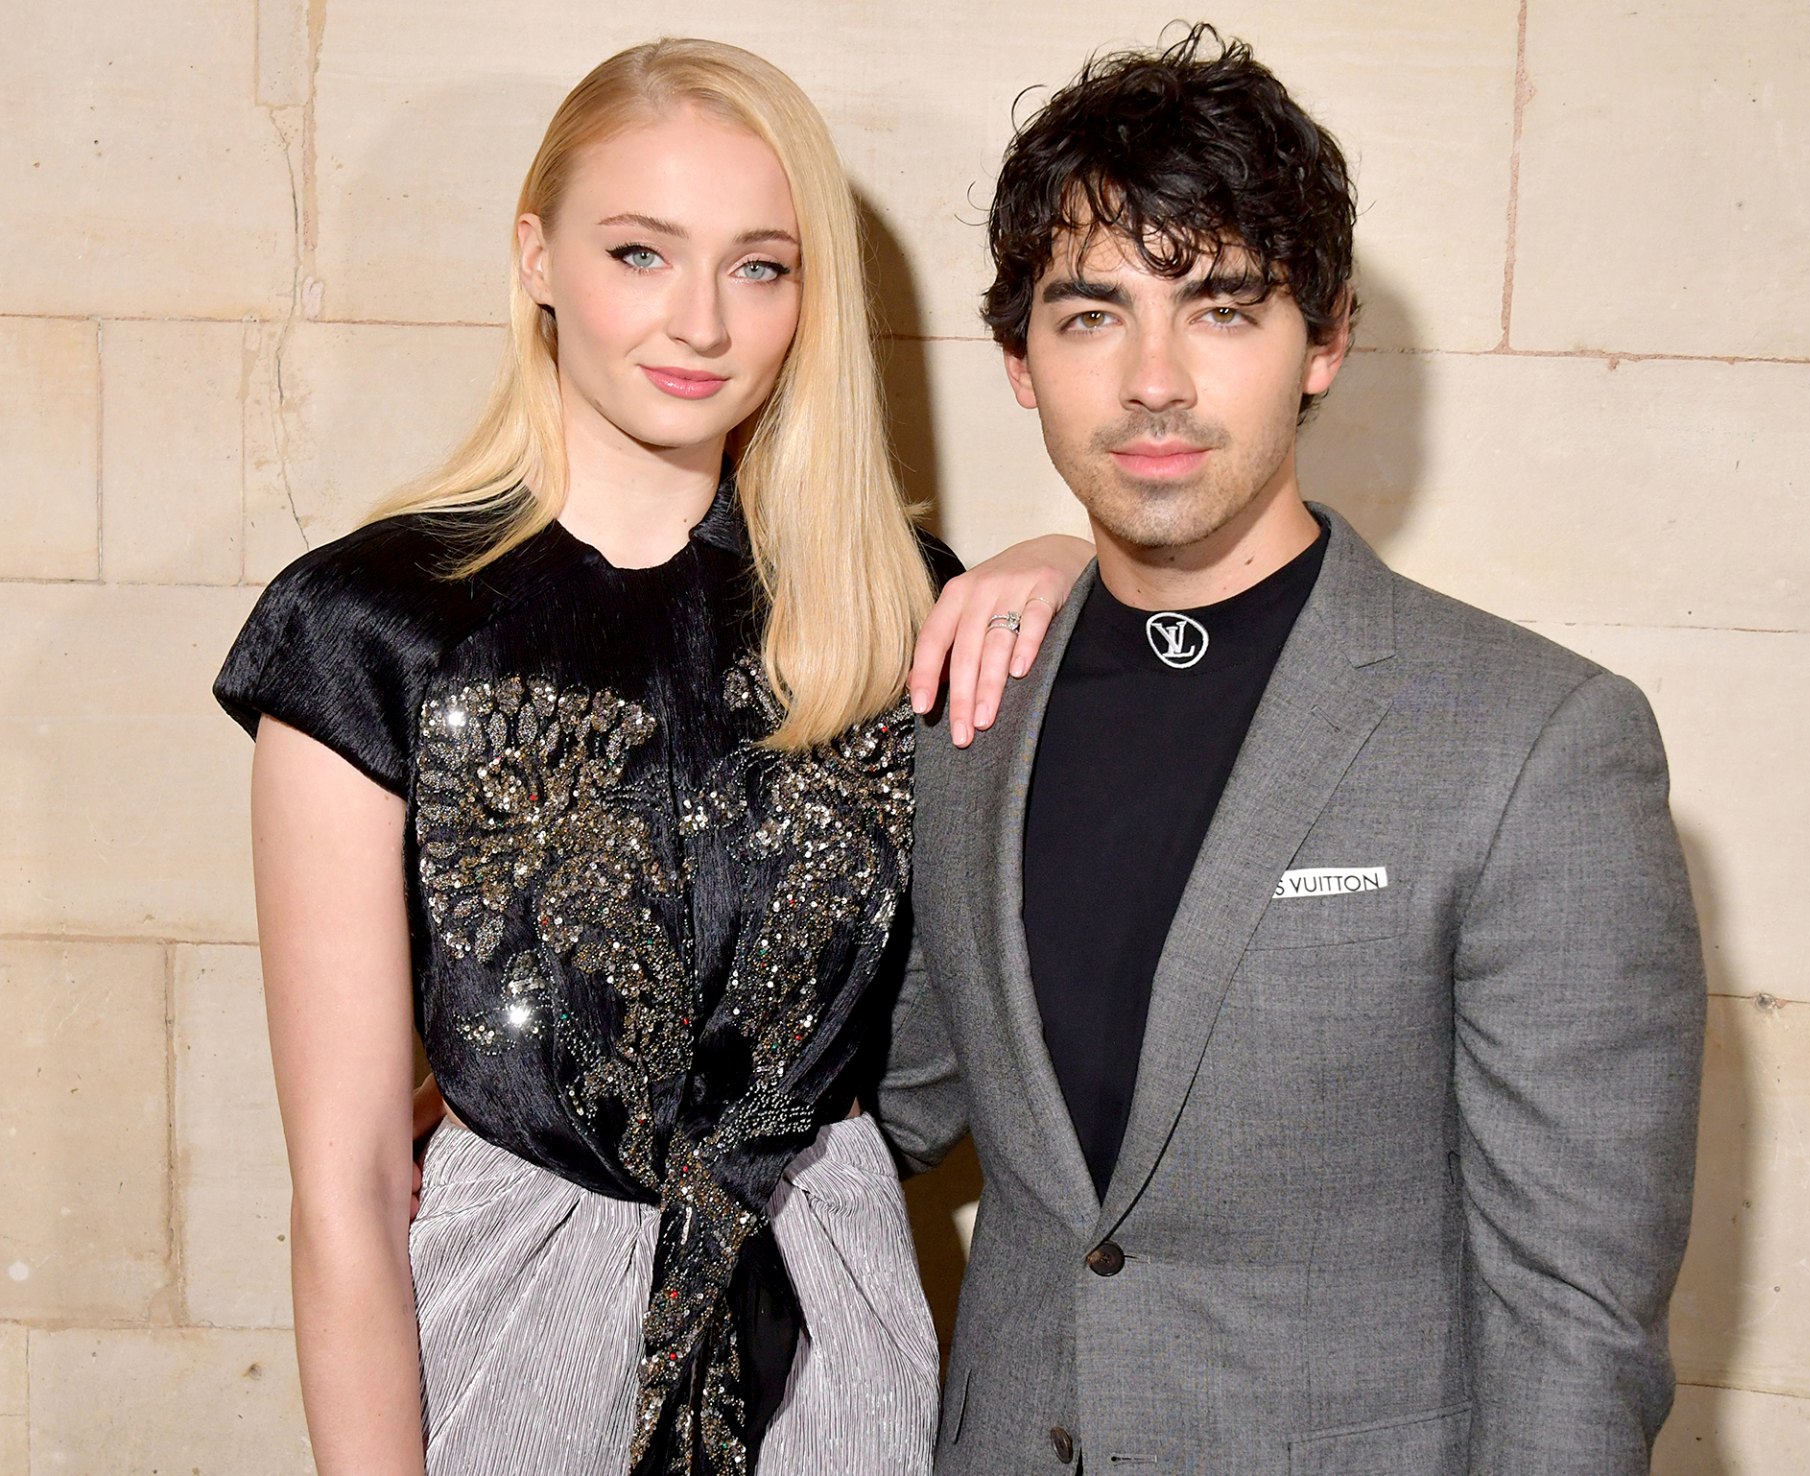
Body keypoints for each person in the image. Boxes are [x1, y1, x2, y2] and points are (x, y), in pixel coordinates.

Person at [214, 39, 1086, 1476]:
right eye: (640, 252)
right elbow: (349, 1186)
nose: (702, 322)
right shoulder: (370, 625)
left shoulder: (895, 607)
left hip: (830, 1301)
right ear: (537, 258)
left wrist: (1062, 561)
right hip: (513, 1313)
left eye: (760, 267)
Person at [877, 26, 1707, 1475]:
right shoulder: (966, 707)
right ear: (1019, 359)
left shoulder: (1537, 743)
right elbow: (878, 1102)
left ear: (1322, 340)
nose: (1153, 380)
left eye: (1220, 309)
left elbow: (1576, 1330)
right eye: (1092, 314)